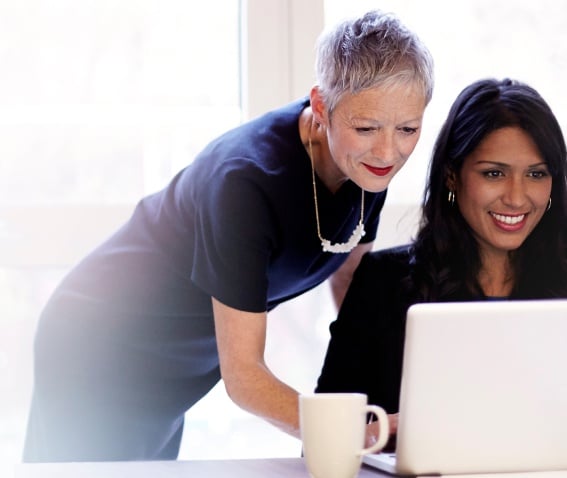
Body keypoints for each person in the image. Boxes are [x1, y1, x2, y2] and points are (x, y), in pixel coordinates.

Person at [22, 10, 434, 462]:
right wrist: (352, 430)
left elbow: (349, 280)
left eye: (408, 129)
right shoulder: (246, 184)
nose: (389, 150)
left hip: (180, 369)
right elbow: (245, 378)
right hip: (100, 345)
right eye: (367, 128)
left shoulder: (368, 160)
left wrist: (391, 383)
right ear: (321, 106)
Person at [315, 78, 567, 449]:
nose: (516, 197)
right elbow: (321, 440)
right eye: (493, 173)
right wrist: (376, 433)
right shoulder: (383, 283)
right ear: (452, 174)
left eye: (536, 174)